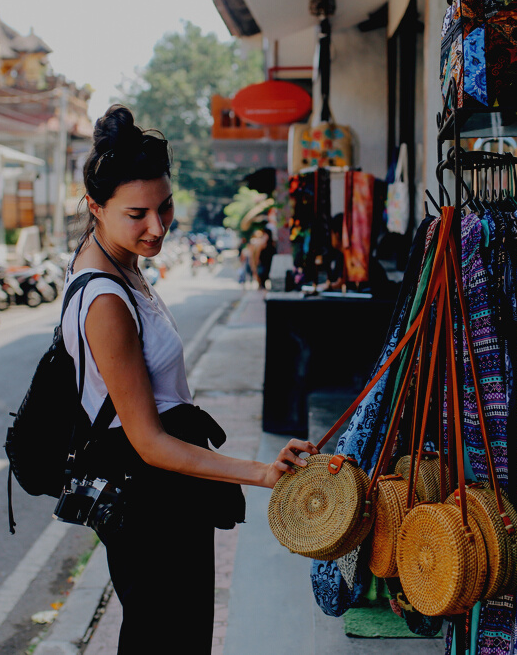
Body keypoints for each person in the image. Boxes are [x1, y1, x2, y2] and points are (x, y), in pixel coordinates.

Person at [63, 105, 317, 653]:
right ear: (95, 206)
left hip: (168, 493)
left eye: (165, 206)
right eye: (137, 214)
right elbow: (149, 441)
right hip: (151, 504)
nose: (157, 226)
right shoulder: (103, 299)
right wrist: (261, 472)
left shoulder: (120, 263)